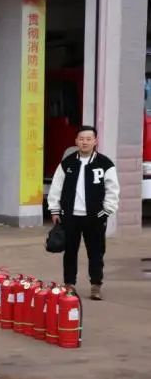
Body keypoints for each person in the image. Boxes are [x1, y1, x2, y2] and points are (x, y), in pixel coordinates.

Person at [47, 125, 120, 300]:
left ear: (95, 141)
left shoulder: (105, 163)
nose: (84, 142)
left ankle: (96, 285)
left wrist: (106, 211)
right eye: (81, 139)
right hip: (70, 216)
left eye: (88, 139)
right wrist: (55, 210)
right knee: (70, 252)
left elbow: (113, 190)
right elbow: (56, 187)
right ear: (76, 141)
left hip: (95, 217)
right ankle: (69, 284)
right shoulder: (67, 163)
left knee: (96, 252)